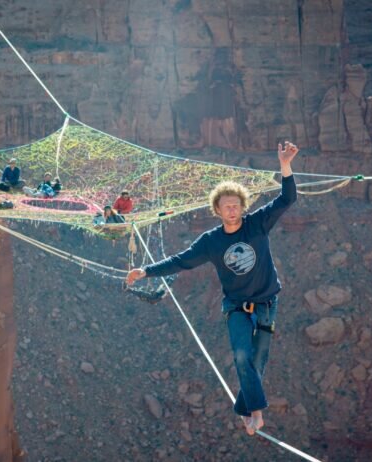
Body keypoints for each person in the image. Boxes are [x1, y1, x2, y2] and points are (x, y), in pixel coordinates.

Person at [126, 141, 299, 436]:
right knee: (243, 356)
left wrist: (285, 165)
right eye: (226, 206)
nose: (232, 210)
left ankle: (245, 411)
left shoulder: (257, 224)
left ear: (243, 207)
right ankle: (256, 414)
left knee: (258, 361)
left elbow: (287, 199)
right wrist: (146, 272)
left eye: (236, 205)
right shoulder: (211, 241)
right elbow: (181, 262)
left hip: (267, 304)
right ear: (217, 210)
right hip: (236, 308)